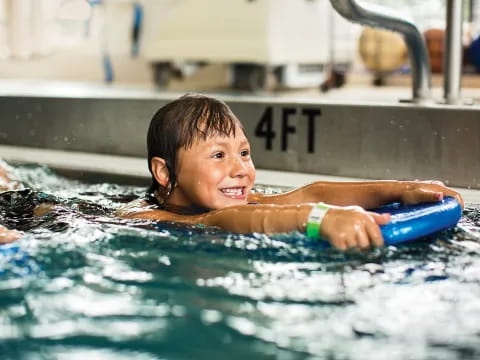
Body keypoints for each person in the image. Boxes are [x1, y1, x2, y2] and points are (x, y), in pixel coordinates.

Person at [118, 94, 464, 250]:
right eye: (219, 154)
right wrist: (317, 220)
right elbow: (212, 224)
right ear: (164, 172)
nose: (240, 169)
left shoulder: (227, 199)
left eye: (244, 152)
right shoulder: (146, 217)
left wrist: (402, 189)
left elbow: (307, 194)